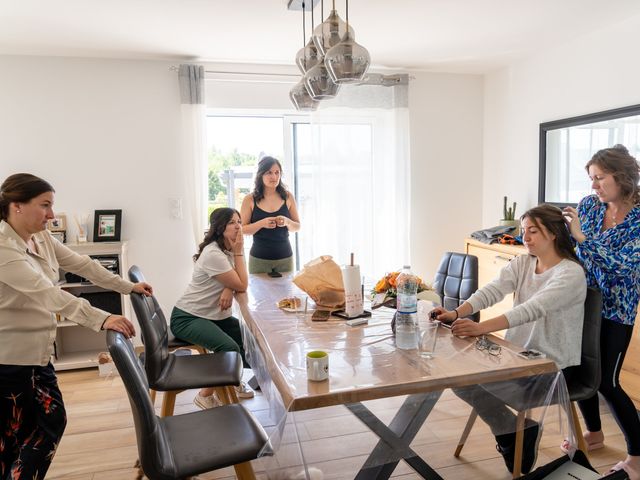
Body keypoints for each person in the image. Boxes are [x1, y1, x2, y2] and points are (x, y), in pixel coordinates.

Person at [0, 173, 153, 479]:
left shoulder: (40, 237)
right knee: (28, 433)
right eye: (45, 205)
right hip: (11, 359)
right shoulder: (4, 248)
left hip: (36, 354)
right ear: (16, 205)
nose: (52, 215)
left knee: (37, 427)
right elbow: (47, 293)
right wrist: (102, 318)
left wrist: (126, 286)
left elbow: (83, 264)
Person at [431, 204, 587, 475]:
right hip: (517, 354)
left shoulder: (570, 274)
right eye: (523, 231)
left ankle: (512, 433)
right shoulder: (524, 261)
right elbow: (493, 290)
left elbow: (530, 310)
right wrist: (455, 312)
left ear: (552, 233)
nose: (525, 237)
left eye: (533, 231)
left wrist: (480, 328)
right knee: (457, 376)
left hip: (551, 364)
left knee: (464, 377)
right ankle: (510, 430)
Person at [562, 144, 640, 479]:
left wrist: (581, 238)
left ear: (621, 177)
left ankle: (638, 457)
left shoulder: (638, 217)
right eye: (591, 179)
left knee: (607, 382)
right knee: (582, 375)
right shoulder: (589, 207)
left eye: (599, 178)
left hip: (618, 310)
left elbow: (623, 267)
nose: (593, 186)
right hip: (584, 303)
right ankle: (593, 433)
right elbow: (575, 254)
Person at [170, 207, 255, 409]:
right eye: (232, 222)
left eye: (239, 222)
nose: (238, 227)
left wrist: (228, 287)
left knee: (249, 339)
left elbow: (236, 280)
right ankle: (205, 395)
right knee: (229, 347)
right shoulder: (214, 253)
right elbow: (242, 284)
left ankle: (231, 381)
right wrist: (240, 253)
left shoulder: (227, 250)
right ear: (220, 228)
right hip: (188, 317)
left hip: (213, 316)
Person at [240, 156, 300, 274]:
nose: (274, 177)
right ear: (260, 175)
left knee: (286, 292)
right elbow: (242, 229)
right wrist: (262, 223)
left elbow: (297, 226)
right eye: (269, 173)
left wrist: (287, 222)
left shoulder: (288, 196)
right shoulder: (249, 199)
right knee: (259, 292)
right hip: (258, 259)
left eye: (277, 172)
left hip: (285, 258)